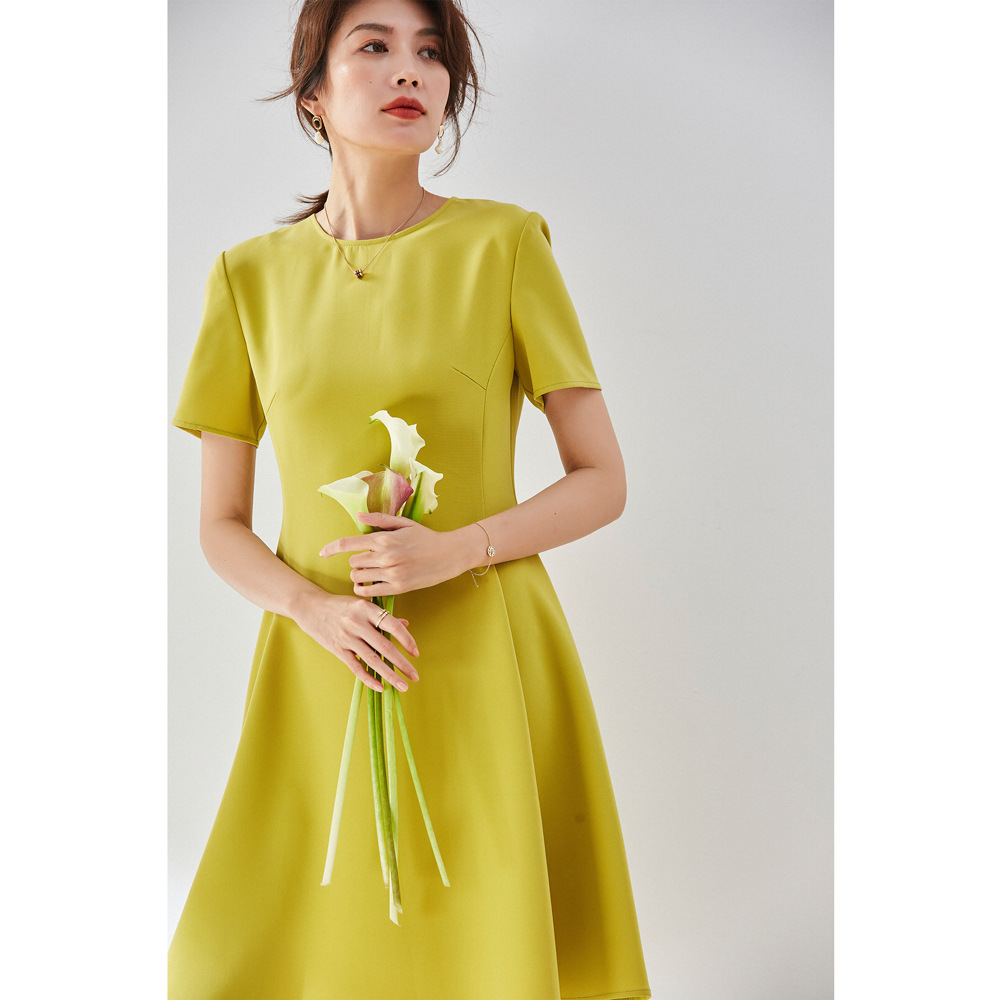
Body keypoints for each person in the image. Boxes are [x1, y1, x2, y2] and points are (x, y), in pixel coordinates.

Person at [169, 0, 651, 996]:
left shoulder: (503, 245)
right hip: (320, 655)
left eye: (432, 54)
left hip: (482, 649)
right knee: (235, 956)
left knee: (483, 941)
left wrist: (457, 549)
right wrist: (313, 610)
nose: (411, 72)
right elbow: (220, 524)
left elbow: (601, 478)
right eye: (375, 46)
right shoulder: (246, 279)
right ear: (312, 89)